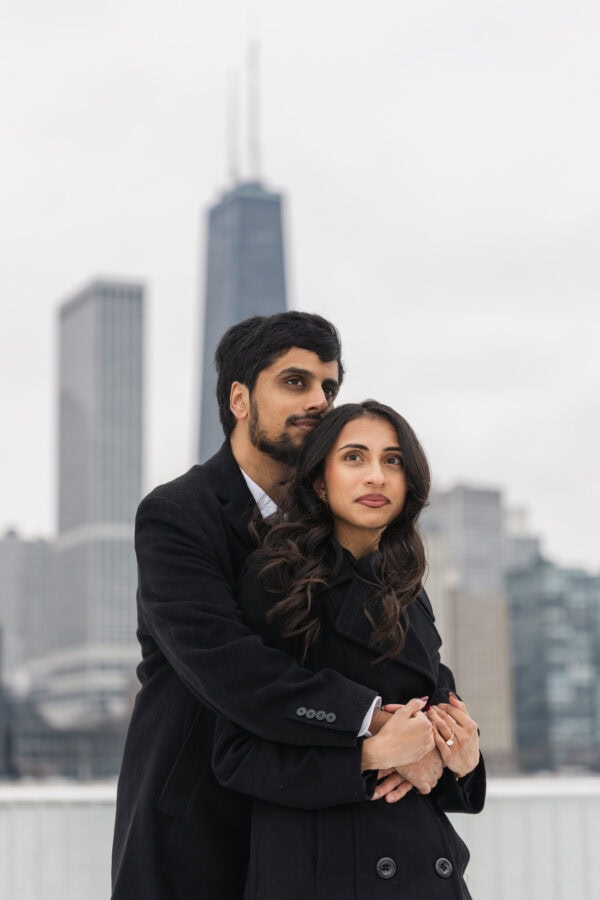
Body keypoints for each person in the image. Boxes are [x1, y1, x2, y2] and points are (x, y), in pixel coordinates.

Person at [112, 314, 406, 900]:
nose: (320, 401)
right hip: (197, 825)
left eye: (329, 386)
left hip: (319, 821)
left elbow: (393, 645)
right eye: (295, 383)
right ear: (240, 399)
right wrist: (371, 719)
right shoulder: (176, 514)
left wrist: (445, 738)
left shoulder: (341, 519)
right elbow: (227, 666)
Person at [212, 400, 486, 899]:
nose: (376, 476)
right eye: (355, 458)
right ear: (320, 480)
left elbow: (435, 722)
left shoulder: (409, 591)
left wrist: (463, 759)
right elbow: (237, 754)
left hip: (426, 868)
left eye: (393, 460)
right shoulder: (279, 580)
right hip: (322, 875)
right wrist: (367, 756)